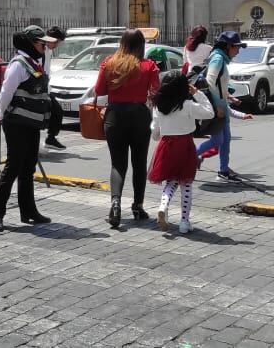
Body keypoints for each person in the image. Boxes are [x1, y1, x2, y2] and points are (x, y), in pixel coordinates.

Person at [0, 25, 56, 231]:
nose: (44, 47)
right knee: (13, 167)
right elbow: (6, 91)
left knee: (28, 167)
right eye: (41, 43)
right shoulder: (19, 64)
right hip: (16, 123)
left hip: (31, 122)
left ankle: (28, 211)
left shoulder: (34, 62)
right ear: (30, 44)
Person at [94, 29, 160, 227]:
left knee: (117, 164)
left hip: (115, 115)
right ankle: (138, 207)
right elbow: (156, 91)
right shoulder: (149, 66)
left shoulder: (109, 63)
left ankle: (115, 203)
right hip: (139, 115)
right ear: (141, 45)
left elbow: (99, 90)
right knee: (139, 163)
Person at [148, 71, 214, 234]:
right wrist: (198, 94)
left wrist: (158, 133)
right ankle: (184, 222)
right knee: (186, 184)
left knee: (171, 181)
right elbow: (209, 112)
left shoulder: (159, 106)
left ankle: (163, 206)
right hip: (184, 144)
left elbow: (155, 132)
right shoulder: (187, 105)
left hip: (166, 144)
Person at [195, 31, 246, 180]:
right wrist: (216, 107)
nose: (238, 51)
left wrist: (228, 97)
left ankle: (224, 170)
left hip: (221, 105)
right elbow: (209, 84)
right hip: (216, 107)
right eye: (237, 47)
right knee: (218, 140)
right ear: (228, 46)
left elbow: (218, 84)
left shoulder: (221, 59)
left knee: (226, 139)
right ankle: (189, 157)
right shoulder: (217, 59)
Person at [43, 25, 68, 149]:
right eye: (57, 42)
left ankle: (50, 138)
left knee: (57, 111)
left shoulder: (49, 50)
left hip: (45, 88)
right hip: (38, 89)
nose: (57, 45)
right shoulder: (41, 50)